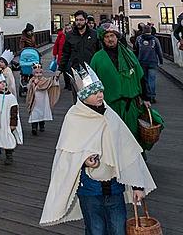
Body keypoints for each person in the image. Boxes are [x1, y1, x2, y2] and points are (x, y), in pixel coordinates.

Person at [40, 64, 156, 233]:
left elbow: (128, 152)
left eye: (101, 91)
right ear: (83, 96)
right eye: (94, 92)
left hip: (115, 187)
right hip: (89, 190)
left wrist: (137, 185)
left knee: (118, 229)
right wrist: (84, 160)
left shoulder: (110, 115)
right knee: (95, 229)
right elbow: (66, 157)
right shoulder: (74, 118)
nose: (100, 94)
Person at [90, 23, 150, 140]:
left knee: (132, 137)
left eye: (112, 35)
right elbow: (92, 83)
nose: (110, 39)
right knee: (112, 138)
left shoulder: (129, 55)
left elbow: (140, 76)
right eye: (106, 37)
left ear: (117, 37)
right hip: (109, 106)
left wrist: (146, 98)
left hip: (130, 105)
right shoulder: (97, 58)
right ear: (103, 39)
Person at [57, 10, 100, 102]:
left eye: (81, 20)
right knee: (77, 96)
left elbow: (99, 52)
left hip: (90, 70)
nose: (78, 22)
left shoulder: (94, 34)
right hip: (75, 71)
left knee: (91, 96)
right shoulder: (69, 35)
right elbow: (65, 53)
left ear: (85, 21)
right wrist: (60, 69)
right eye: (76, 20)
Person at [0, 72, 23, 169]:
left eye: (3, 82)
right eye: (0, 83)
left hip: (6, 122)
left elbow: (14, 111)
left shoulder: (11, 97)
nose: (3, 84)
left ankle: (9, 155)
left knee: (6, 137)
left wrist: (13, 124)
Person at [27, 63, 60, 135]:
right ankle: (34, 128)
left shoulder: (45, 80)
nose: (38, 74)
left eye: (40, 72)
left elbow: (51, 83)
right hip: (35, 99)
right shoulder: (32, 80)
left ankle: (42, 125)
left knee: (42, 112)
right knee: (34, 113)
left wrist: (55, 78)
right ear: (33, 73)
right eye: (36, 73)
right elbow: (29, 88)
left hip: (43, 100)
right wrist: (33, 84)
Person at [136, 25, 163, 103]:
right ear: (150, 31)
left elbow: (136, 49)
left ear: (143, 31)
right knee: (152, 79)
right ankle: (152, 96)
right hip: (152, 62)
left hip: (141, 62)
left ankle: (147, 95)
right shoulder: (155, 39)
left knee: (145, 80)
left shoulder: (139, 39)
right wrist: (161, 60)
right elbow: (159, 51)